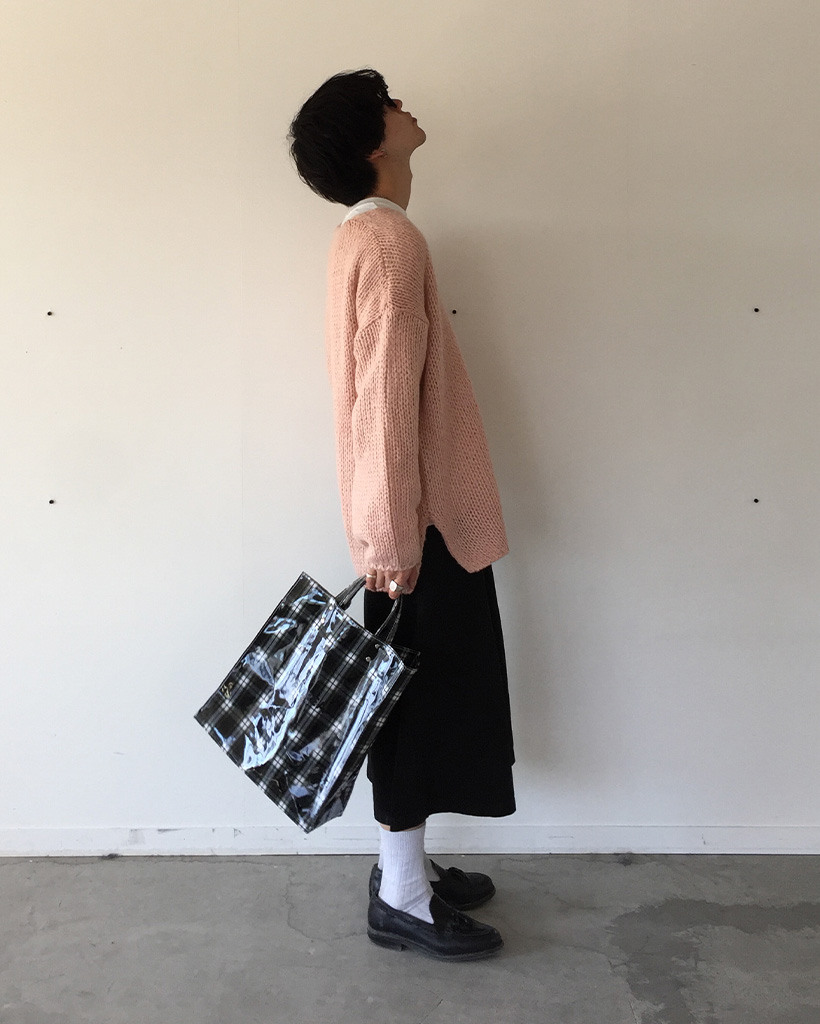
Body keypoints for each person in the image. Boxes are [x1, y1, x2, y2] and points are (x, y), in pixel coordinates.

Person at [287, 68, 516, 961]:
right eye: (389, 102)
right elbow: (382, 399)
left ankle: (404, 865)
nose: (406, 106)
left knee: (419, 699)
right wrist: (389, 533)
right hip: (419, 525)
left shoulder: (363, 235)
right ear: (373, 142)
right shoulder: (389, 243)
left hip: (407, 516)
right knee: (418, 709)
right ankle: (403, 897)